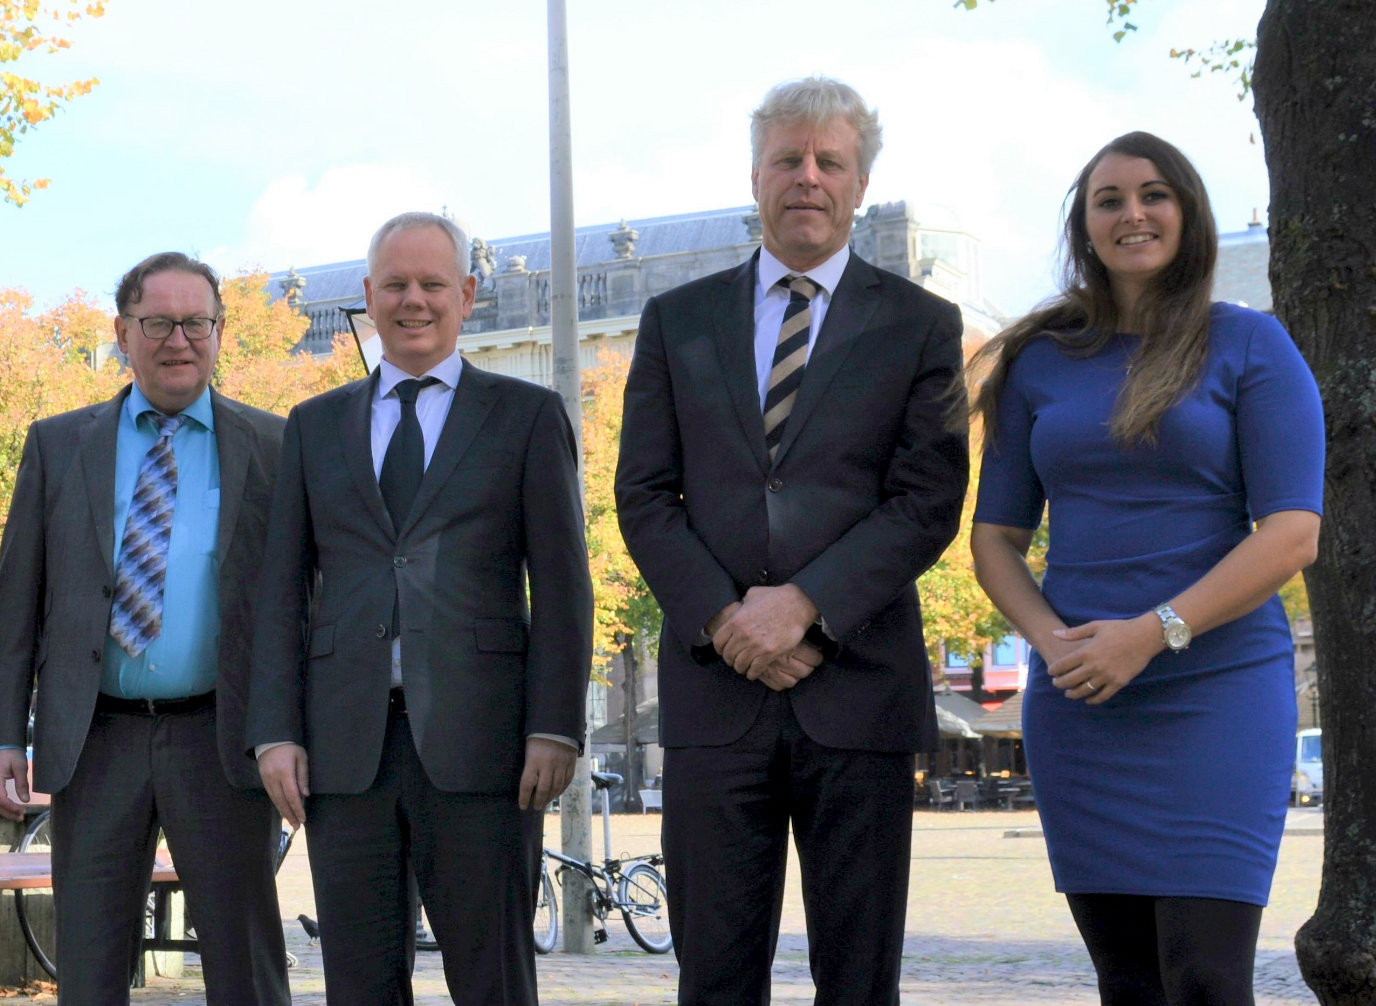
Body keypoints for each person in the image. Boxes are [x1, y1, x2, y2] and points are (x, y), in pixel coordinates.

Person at [614, 77, 968, 1005]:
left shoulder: (922, 325)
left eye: (829, 161)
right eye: (787, 159)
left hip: (860, 693)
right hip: (714, 695)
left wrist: (805, 606)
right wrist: (726, 619)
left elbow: (929, 498)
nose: (807, 176)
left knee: (859, 982)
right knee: (715, 977)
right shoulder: (676, 321)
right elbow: (644, 494)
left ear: (859, 185)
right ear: (755, 177)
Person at [969, 131, 1322, 1005]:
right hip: (1084, 700)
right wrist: (1053, 642)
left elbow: (1291, 533)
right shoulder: (1038, 361)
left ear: (1187, 213)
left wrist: (1153, 633)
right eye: (1110, 200)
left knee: (1206, 977)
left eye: (1154, 194)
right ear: (1085, 228)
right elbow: (995, 539)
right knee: (1127, 982)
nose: (1133, 213)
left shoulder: (1252, 344)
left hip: (1220, 690)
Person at [248, 211, 593, 1006]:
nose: (414, 300)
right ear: (368, 296)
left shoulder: (528, 416)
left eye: (432, 284)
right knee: (359, 984)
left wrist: (555, 725)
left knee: (492, 980)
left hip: (486, 747)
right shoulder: (314, 425)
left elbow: (562, 584)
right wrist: (276, 730)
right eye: (395, 284)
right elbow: (282, 590)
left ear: (466, 295)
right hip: (345, 753)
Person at [0, 252, 292, 1006]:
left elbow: (298, 603)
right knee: (88, 971)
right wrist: (2, 735)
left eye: (196, 323)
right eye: (158, 323)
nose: (178, 339)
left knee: (246, 970)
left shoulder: (275, 446)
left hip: (222, 740)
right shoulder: (59, 444)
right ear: (122, 333)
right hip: (97, 740)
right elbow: (17, 599)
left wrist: (290, 731)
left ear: (219, 331)